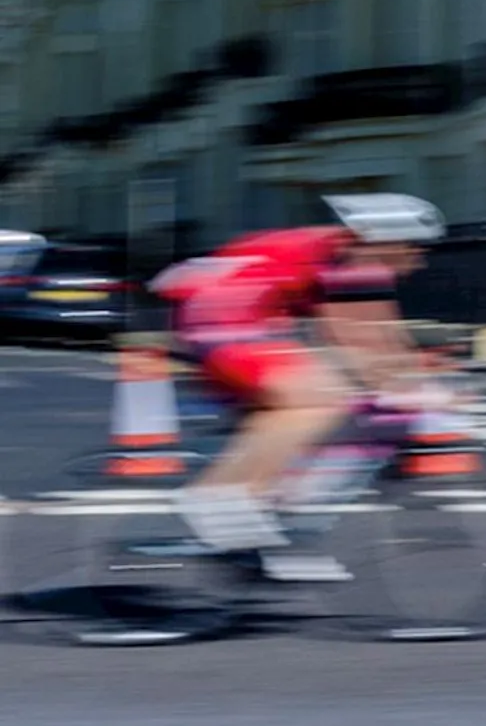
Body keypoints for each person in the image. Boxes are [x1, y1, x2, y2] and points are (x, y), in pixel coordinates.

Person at [154, 193, 446, 580]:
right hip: (222, 318)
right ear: (387, 237)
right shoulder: (357, 257)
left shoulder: (345, 251)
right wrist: (415, 386)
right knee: (318, 400)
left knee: (295, 410)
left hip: (227, 315)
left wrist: (407, 370)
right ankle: (220, 498)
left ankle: (262, 541)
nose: (420, 259)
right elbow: (354, 335)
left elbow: (381, 333)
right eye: (417, 247)